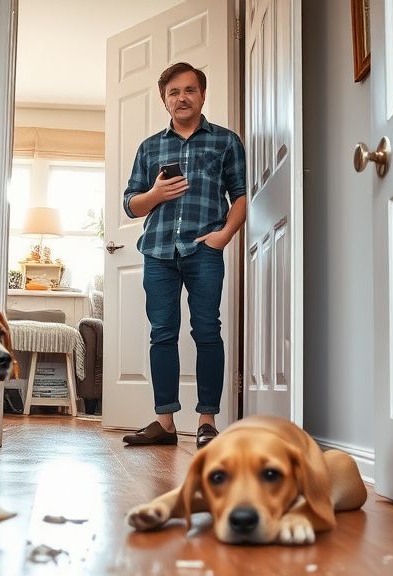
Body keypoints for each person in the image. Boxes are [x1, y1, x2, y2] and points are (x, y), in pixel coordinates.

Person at [120, 62, 247, 449]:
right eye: (173, 92)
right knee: (162, 334)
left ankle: (207, 421)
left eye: (189, 90)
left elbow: (240, 194)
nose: (181, 98)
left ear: (202, 95)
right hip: (158, 251)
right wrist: (155, 195)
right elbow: (130, 204)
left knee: (207, 331)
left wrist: (224, 236)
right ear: (164, 99)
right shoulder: (150, 147)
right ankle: (165, 423)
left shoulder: (226, 142)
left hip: (203, 249)